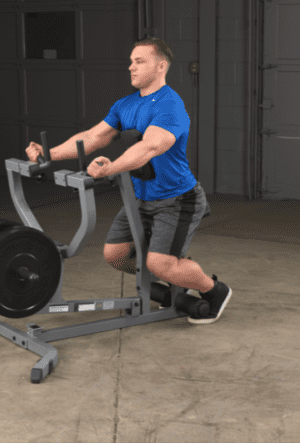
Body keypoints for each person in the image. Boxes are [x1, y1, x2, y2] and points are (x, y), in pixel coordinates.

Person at [26, 38, 232, 324]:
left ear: (160, 66)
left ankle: (215, 292)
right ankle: (172, 288)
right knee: (116, 255)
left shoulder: (170, 106)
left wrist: (111, 168)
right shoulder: (125, 105)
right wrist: (48, 154)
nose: (131, 67)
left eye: (139, 61)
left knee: (159, 263)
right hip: (140, 198)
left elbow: (149, 148)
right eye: (131, 61)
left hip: (177, 199)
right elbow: (93, 137)